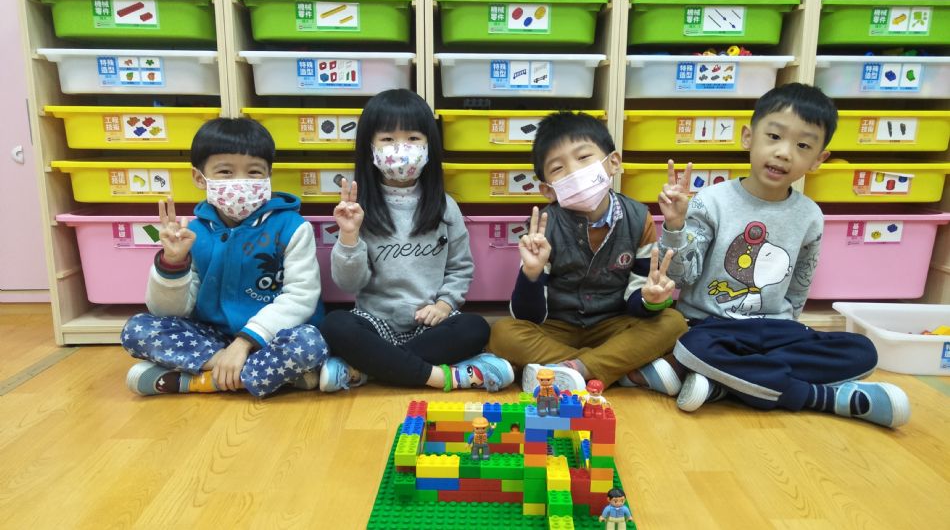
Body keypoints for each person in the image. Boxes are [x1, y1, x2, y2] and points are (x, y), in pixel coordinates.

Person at [659, 83, 910, 428]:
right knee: (691, 348)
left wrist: (789, 327)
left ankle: (725, 383)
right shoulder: (711, 201)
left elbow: (799, 284)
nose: (784, 153)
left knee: (862, 351)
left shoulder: (810, 215)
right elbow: (681, 277)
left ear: (818, 159)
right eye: (774, 137)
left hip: (776, 330)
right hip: (709, 327)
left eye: (803, 145)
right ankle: (822, 398)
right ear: (748, 138)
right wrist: (675, 225)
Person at [318, 89, 514, 393]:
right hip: (374, 323)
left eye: (412, 138)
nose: (401, 148)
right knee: (335, 325)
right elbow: (349, 283)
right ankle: (442, 376)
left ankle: (367, 368)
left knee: (474, 327)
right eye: (387, 139)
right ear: (370, 147)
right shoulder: (358, 208)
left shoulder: (445, 207)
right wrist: (348, 235)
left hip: (430, 325)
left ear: (428, 146)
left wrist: (444, 305)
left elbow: (460, 268)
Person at [121, 118, 328, 397]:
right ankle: (254, 373)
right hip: (212, 339)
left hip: (273, 337)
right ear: (199, 178)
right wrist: (173, 264)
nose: (240, 182)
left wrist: (244, 343)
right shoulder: (192, 233)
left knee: (311, 342)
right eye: (225, 172)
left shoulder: (292, 227)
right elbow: (168, 311)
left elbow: (301, 296)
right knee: (137, 328)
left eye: (254, 172)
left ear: (268, 175)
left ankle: (199, 381)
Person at [487, 111, 687, 394]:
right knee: (502, 333)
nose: (574, 172)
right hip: (558, 328)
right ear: (548, 190)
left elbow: (637, 301)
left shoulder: (637, 217)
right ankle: (613, 369)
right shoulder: (543, 226)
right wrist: (531, 273)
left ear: (613, 162)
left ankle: (575, 370)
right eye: (558, 168)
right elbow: (527, 316)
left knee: (673, 322)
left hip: (614, 326)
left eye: (583, 158)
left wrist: (649, 300)